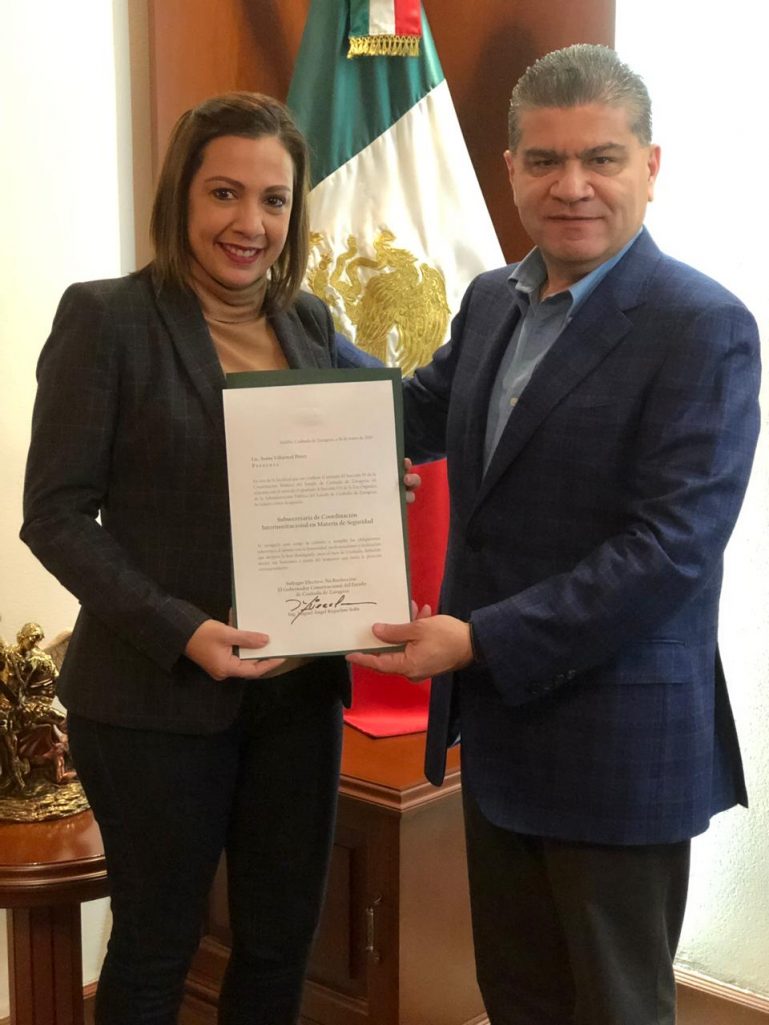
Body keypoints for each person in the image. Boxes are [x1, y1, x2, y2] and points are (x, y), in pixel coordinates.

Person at [347, 44, 762, 1025]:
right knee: (519, 996)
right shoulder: (492, 298)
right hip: (501, 736)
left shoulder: (702, 325)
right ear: (511, 170)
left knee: (615, 1005)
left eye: (600, 158)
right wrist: (292, 386)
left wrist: (477, 639)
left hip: (617, 743)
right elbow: (416, 412)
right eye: (543, 160)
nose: (571, 185)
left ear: (648, 167)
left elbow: (668, 549)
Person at [21, 92, 409, 1025]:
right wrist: (184, 629)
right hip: (154, 697)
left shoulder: (308, 321)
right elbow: (56, 515)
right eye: (225, 193)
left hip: (295, 699)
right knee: (158, 944)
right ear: (182, 197)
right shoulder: (107, 318)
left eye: (273, 200)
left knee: (279, 946)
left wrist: (371, 481)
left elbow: (359, 443)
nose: (250, 223)